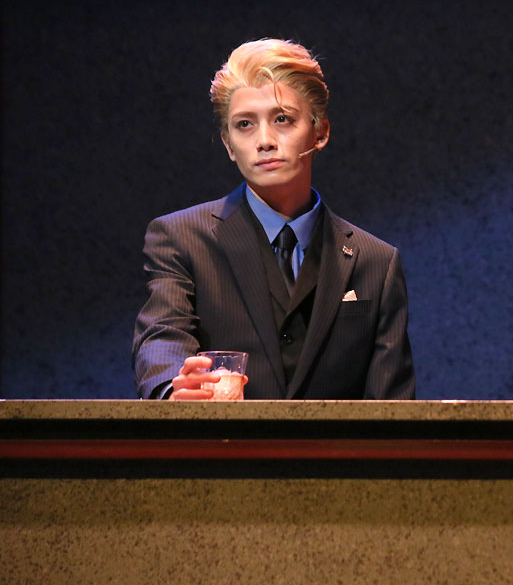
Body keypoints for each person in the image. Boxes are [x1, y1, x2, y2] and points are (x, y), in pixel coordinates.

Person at [133, 38, 415, 400]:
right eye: (245, 124)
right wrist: (173, 391)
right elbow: (162, 336)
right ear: (228, 144)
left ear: (320, 132)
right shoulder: (180, 238)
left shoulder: (376, 261)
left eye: (282, 119)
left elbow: (391, 410)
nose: (264, 140)